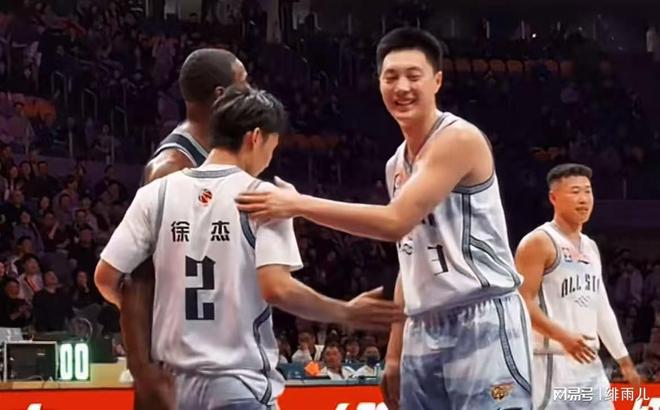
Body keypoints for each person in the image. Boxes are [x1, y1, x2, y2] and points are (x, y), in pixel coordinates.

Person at [236, 27, 533, 410]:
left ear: (437, 81)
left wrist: (297, 204)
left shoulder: (459, 139)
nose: (402, 86)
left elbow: (395, 221)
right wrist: (395, 350)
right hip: (421, 325)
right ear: (379, 84)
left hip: (481, 316)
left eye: (413, 75)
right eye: (391, 77)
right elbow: (410, 257)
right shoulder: (396, 164)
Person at [95, 86, 403, 410]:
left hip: (172, 390)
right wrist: (346, 311)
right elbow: (277, 289)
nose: (269, 158)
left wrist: (153, 316)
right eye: (272, 147)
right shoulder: (266, 198)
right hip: (238, 386)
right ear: (255, 138)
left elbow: (105, 278)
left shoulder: (155, 194)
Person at [120, 48, 248, 410]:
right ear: (221, 96)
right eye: (244, 83)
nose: (251, 93)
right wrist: (143, 371)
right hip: (178, 369)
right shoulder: (172, 169)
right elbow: (137, 280)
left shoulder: (221, 160)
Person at [514, 163, 641, 409]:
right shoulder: (538, 241)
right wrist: (563, 337)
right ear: (553, 197)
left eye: (588, 191)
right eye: (575, 192)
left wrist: (623, 359)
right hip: (551, 362)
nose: (584, 199)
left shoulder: (590, 247)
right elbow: (521, 302)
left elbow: (601, 308)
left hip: (590, 364)